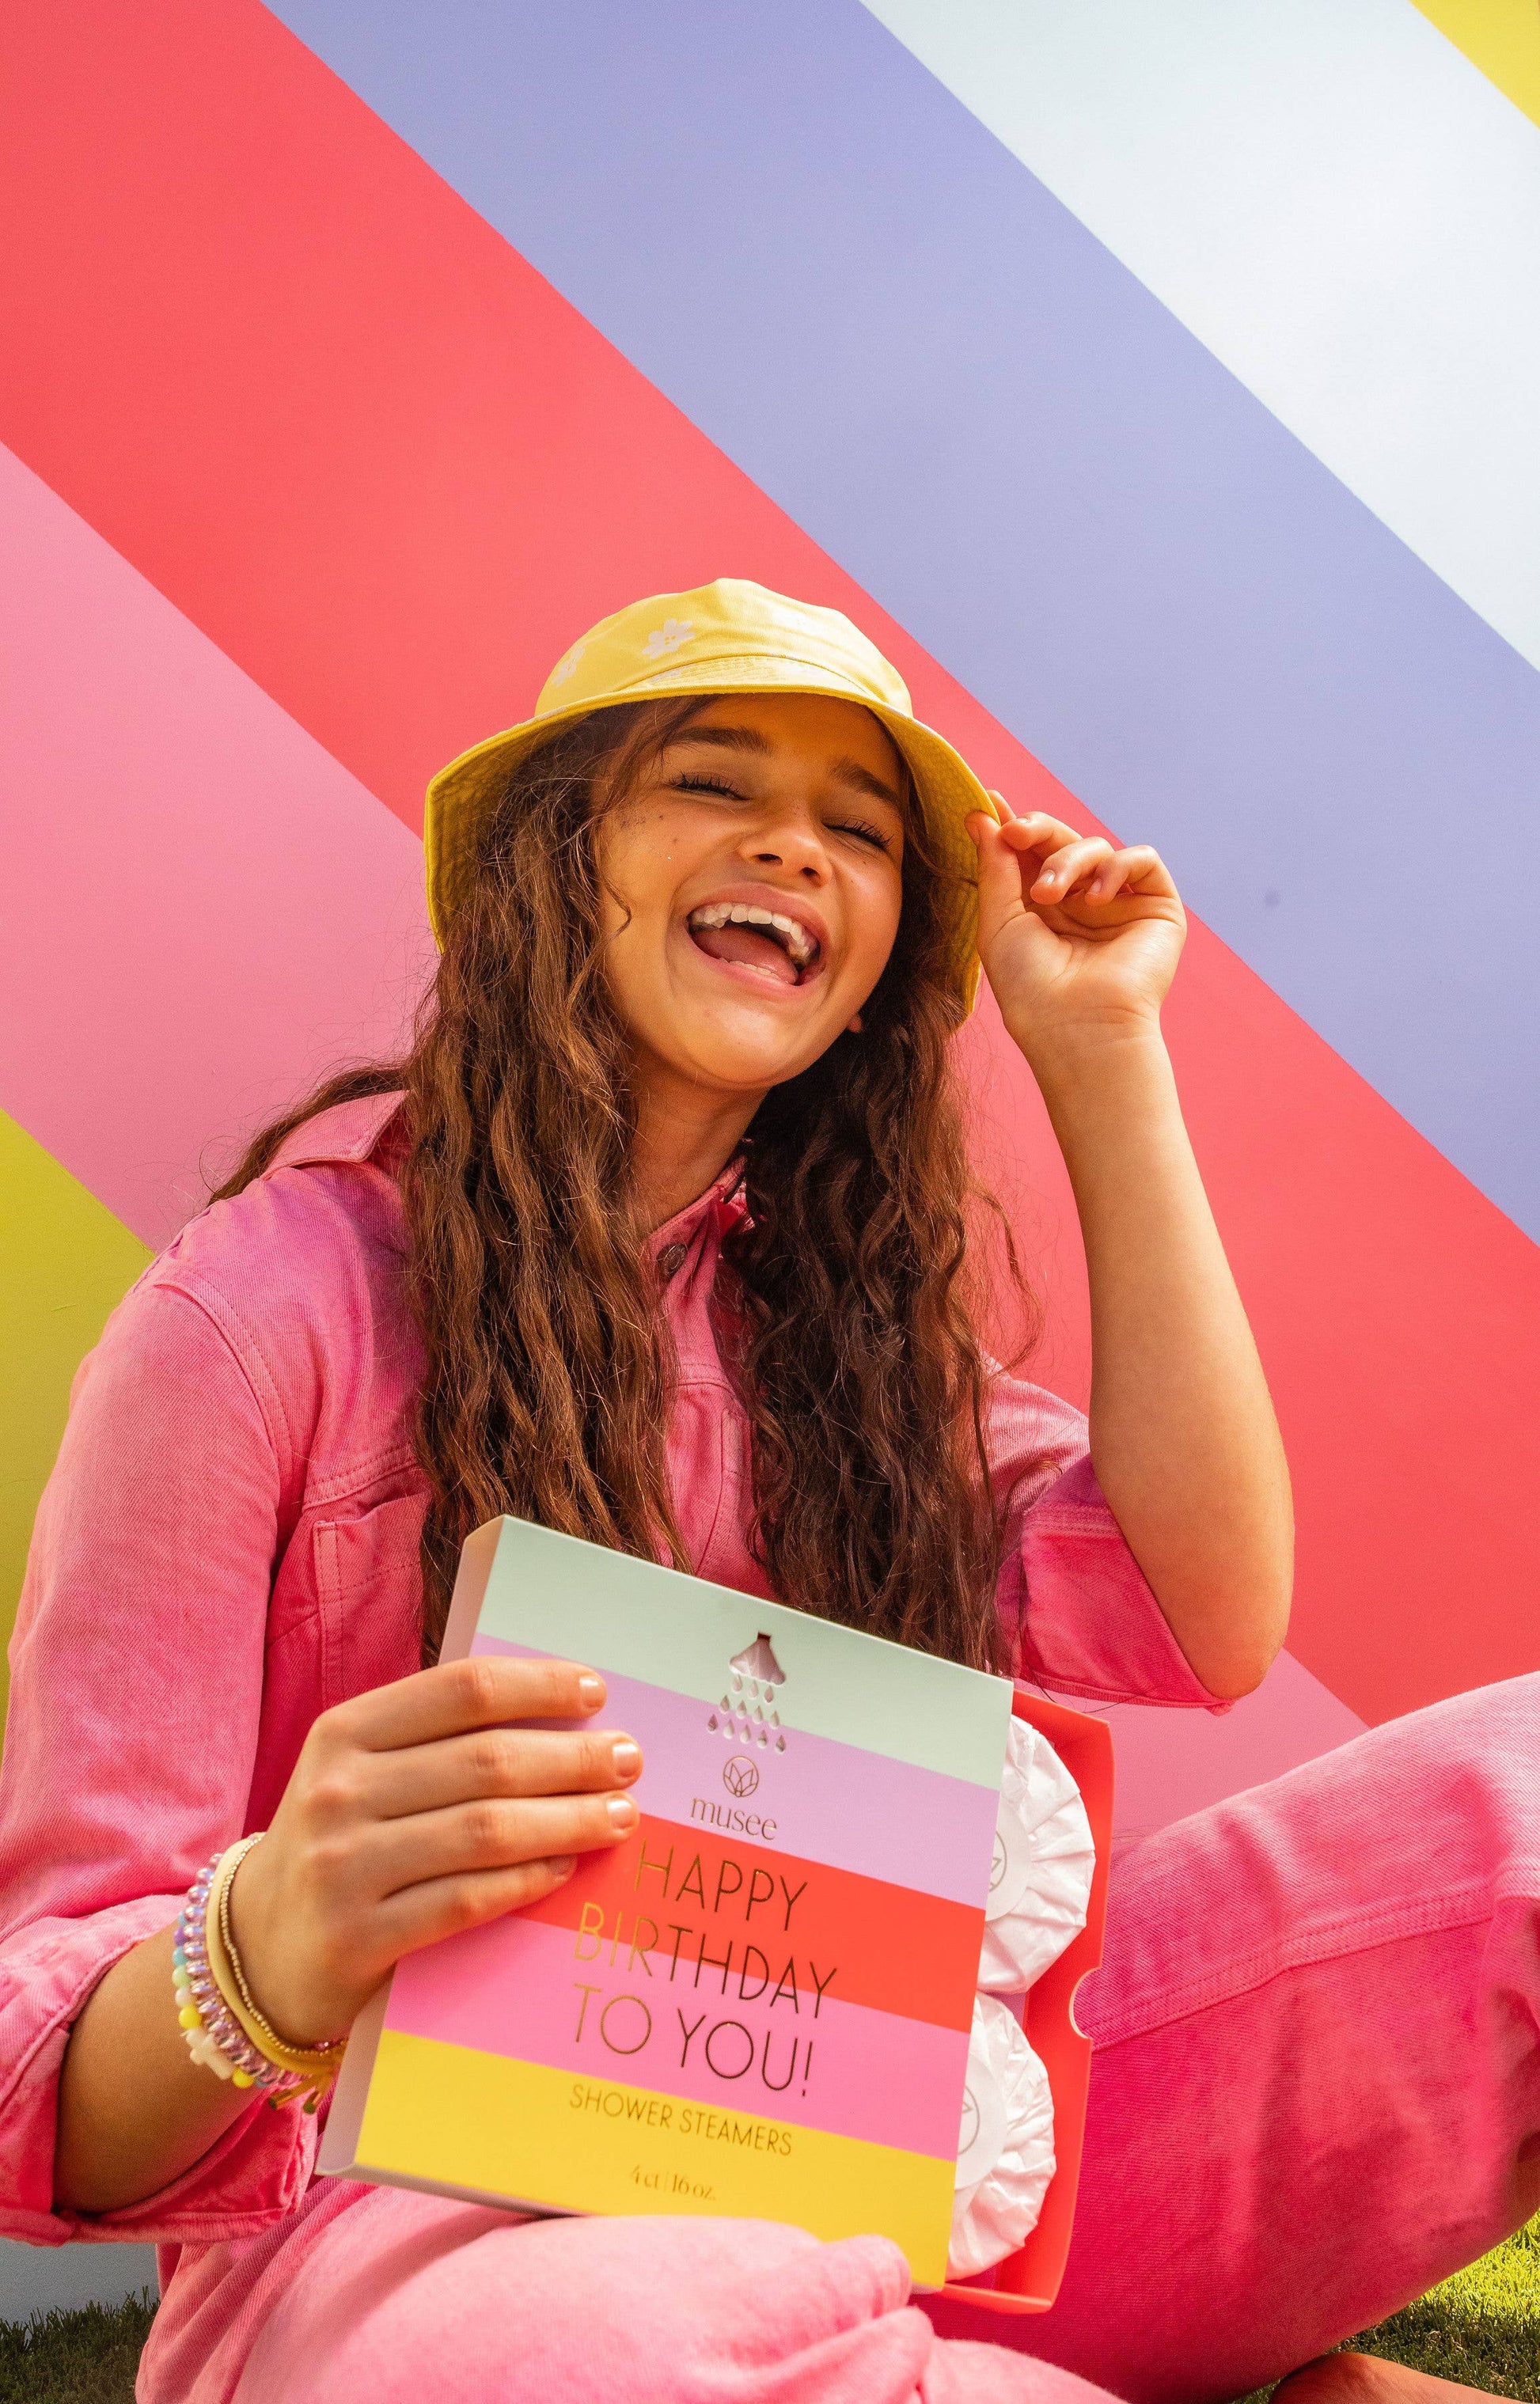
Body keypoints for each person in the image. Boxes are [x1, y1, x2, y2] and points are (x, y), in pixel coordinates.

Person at [0, 582, 1532, 2404]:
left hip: (909, 2164)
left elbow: (1197, 1612)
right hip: (428, 2259)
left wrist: (1104, 1052)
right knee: (600, 2353)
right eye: (711, 782)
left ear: (878, 958)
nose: (792, 846)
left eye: (857, 829)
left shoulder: (843, 1346)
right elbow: (38, 2092)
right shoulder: (254, 1319)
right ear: (553, 859)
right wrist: (264, 1940)